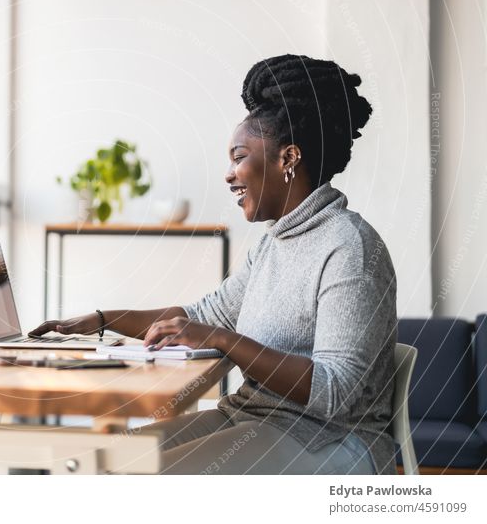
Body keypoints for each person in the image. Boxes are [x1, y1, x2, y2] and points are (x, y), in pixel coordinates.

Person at [31, 54, 397, 475]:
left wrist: (225, 340)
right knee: (95, 466)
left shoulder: (350, 248)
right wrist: (99, 319)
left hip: (328, 438)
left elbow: (336, 393)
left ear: (288, 158)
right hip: (250, 417)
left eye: (238, 156)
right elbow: (199, 317)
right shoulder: (272, 246)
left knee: (142, 482)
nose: (228, 174)